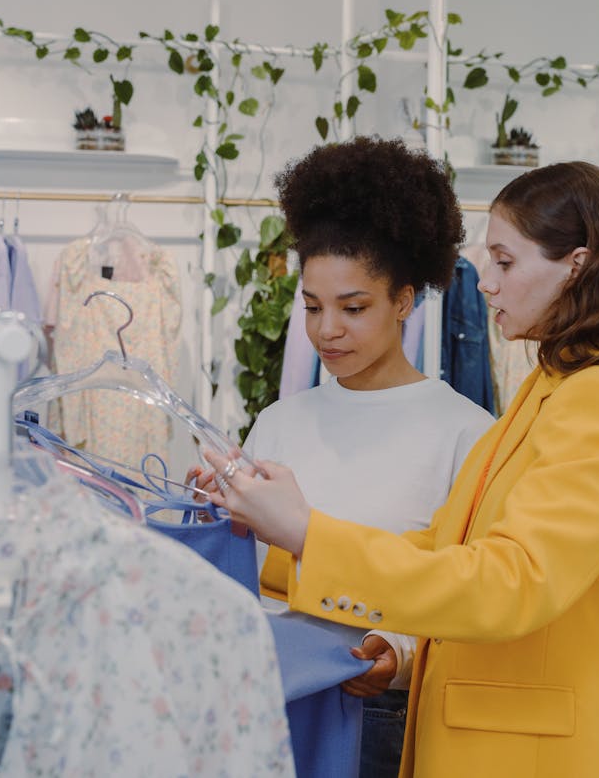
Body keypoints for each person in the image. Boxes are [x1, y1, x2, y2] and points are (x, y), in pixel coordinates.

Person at [206, 161, 599, 778]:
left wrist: (307, 535)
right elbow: (446, 545)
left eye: (505, 262)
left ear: (577, 266)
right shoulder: (550, 388)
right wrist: (266, 533)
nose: (484, 283)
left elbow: (512, 581)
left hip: (541, 750)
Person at [202, 135, 494, 778]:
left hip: (384, 717)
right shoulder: (280, 423)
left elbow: (472, 589)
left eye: (352, 307)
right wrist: (219, 515)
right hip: (275, 700)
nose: (327, 330)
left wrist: (400, 655)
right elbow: (252, 577)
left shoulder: (467, 435)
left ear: (404, 300)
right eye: (312, 307)